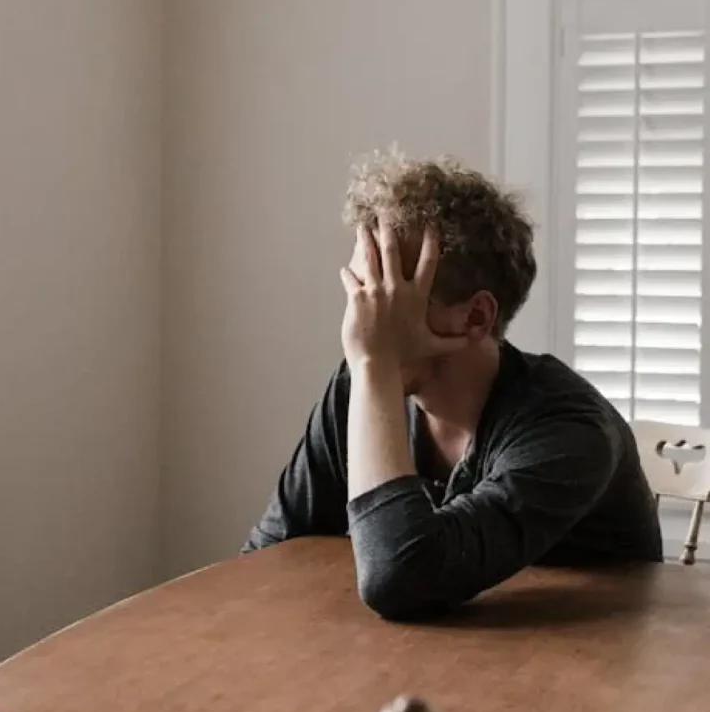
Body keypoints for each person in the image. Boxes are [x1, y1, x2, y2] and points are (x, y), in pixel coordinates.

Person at [243, 152, 662, 620]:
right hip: (427, 662)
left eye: (386, 294)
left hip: (589, 671)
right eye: (361, 290)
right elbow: (264, 558)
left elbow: (401, 579)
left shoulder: (571, 431)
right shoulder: (361, 386)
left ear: (476, 317)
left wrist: (375, 365)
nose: (361, 321)